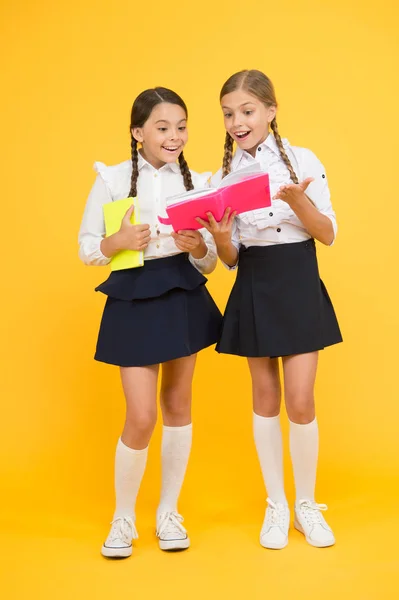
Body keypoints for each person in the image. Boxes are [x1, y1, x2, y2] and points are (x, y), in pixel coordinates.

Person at [198, 70, 342, 549]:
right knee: (265, 398)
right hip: (255, 283)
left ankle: (306, 504)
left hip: (298, 281)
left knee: (301, 400)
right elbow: (232, 260)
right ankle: (276, 503)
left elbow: (326, 233)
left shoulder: (304, 160)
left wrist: (299, 202)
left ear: (270, 111)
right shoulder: (223, 177)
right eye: (228, 114)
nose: (236, 122)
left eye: (246, 111)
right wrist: (220, 238)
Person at [78, 87, 222, 558]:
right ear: (138, 132)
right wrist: (118, 239)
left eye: (181, 126)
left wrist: (199, 247)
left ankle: (168, 512)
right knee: (141, 416)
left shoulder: (197, 182)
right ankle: (124, 518)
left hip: (180, 292)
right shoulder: (113, 178)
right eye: (162, 127)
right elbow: (87, 249)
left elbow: (211, 262)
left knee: (178, 406)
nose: (174, 136)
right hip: (134, 295)